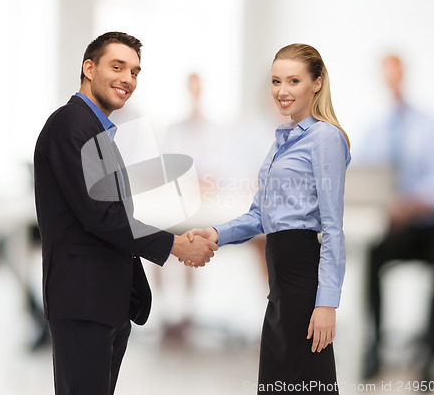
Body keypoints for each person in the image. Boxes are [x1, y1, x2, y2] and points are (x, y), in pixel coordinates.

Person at [33, 32, 217, 395]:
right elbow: (99, 216)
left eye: (134, 72)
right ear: (89, 68)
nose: (127, 79)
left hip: (103, 301)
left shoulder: (97, 131)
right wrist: (175, 245)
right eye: (117, 67)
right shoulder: (72, 126)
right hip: (83, 301)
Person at [186, 44, 351, 394]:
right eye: (276, 81)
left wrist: (326, 303)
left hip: (302, 280)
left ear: (317, 83)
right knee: (277, 383)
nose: (282, 90)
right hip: (279, 284)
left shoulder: (325, 138)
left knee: (306, 383)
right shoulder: (281, 141)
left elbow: (333, 227)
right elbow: (261, 215)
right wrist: (217, 232)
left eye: (294, 80)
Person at [360, 55, 434, 382]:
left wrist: (411, 205)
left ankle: (431, 352)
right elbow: (364, 181)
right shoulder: (374, 131)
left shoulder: (432, 127)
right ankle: (373, 347)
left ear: (404, 75)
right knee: (367, 255)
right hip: (397, 227)